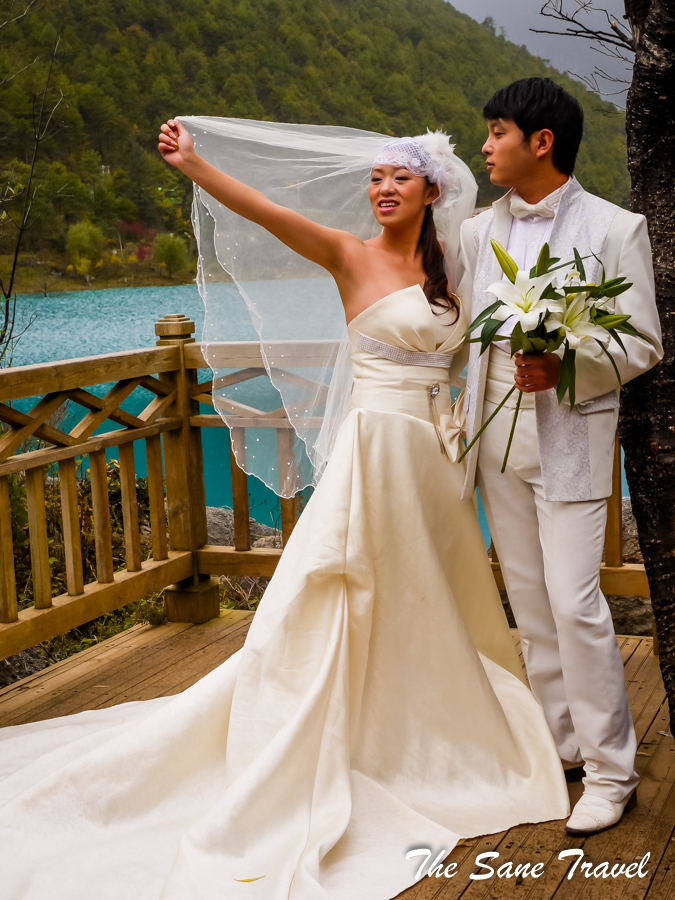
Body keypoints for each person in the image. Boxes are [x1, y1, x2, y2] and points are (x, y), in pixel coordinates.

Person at [0, 121, 569, 900]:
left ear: (431, 191)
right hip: (373, 450)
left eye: (399, 178)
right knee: (335, 588)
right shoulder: (347, 253)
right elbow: (263, 211)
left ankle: (422, 722)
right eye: (376, 178)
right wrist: (195, 165)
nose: (383, 189)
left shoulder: (457, 268)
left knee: (423, 594)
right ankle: (321, 732)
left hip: (437, 461)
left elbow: (489, 335)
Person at [457, 77, 663, 837]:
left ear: (540, 141)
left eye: (496, 132)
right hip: (495, 444)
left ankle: (613, 772)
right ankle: (562, 747)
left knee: (576, 605)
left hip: (570, 440)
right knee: (532, 606)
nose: (485, 146)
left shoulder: (617, 227)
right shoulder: (478, 232)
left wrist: (564, 361)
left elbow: (641, 341)